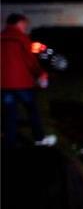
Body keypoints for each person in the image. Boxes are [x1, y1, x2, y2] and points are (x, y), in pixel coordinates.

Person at [1, 13, 57, 148]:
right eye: (25, 24)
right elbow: (30, 61)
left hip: (4, 84)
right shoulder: (21, 38)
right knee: (32, 110)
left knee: (9, 114)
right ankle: (39, 139)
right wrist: (40, 74)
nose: (26, 27)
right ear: (19, 23)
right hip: (22, 83)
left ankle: (9, 144)